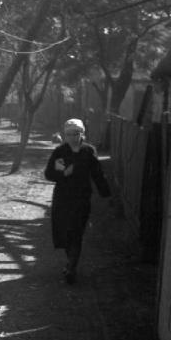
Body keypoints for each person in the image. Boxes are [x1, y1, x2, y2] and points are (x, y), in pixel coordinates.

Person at [44, 118, 111, 284]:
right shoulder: (60, 151)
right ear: (64, 135)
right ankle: (70, 262)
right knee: (65, 233)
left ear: (82, 134)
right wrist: (63, 174)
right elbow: (48, 174)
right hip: (62, 199)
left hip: (81, 199)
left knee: (76, 232)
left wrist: (106, 194)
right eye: (68, 134)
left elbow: (97, 174)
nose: (72, 137)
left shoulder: (88, 151)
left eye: (76, 133)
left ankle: (72, 267)